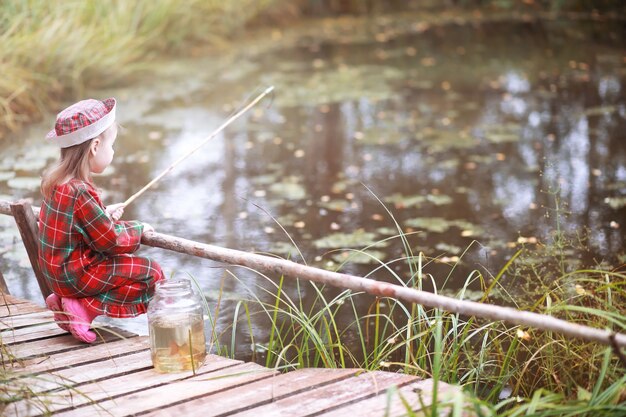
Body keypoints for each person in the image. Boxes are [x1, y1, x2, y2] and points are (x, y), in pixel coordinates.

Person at [38, 97, 164, 343]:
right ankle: (85, 308)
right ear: (95, 146)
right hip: (74, 277)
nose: (113, 152)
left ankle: (67, 301)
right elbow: (111, 241)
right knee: (151, 272)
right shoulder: (81, 191)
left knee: (124, 266)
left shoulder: (57, 183)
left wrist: (103, 214)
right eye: (112, 146)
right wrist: (139, 229)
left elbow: (74, 227)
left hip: (55, 276)